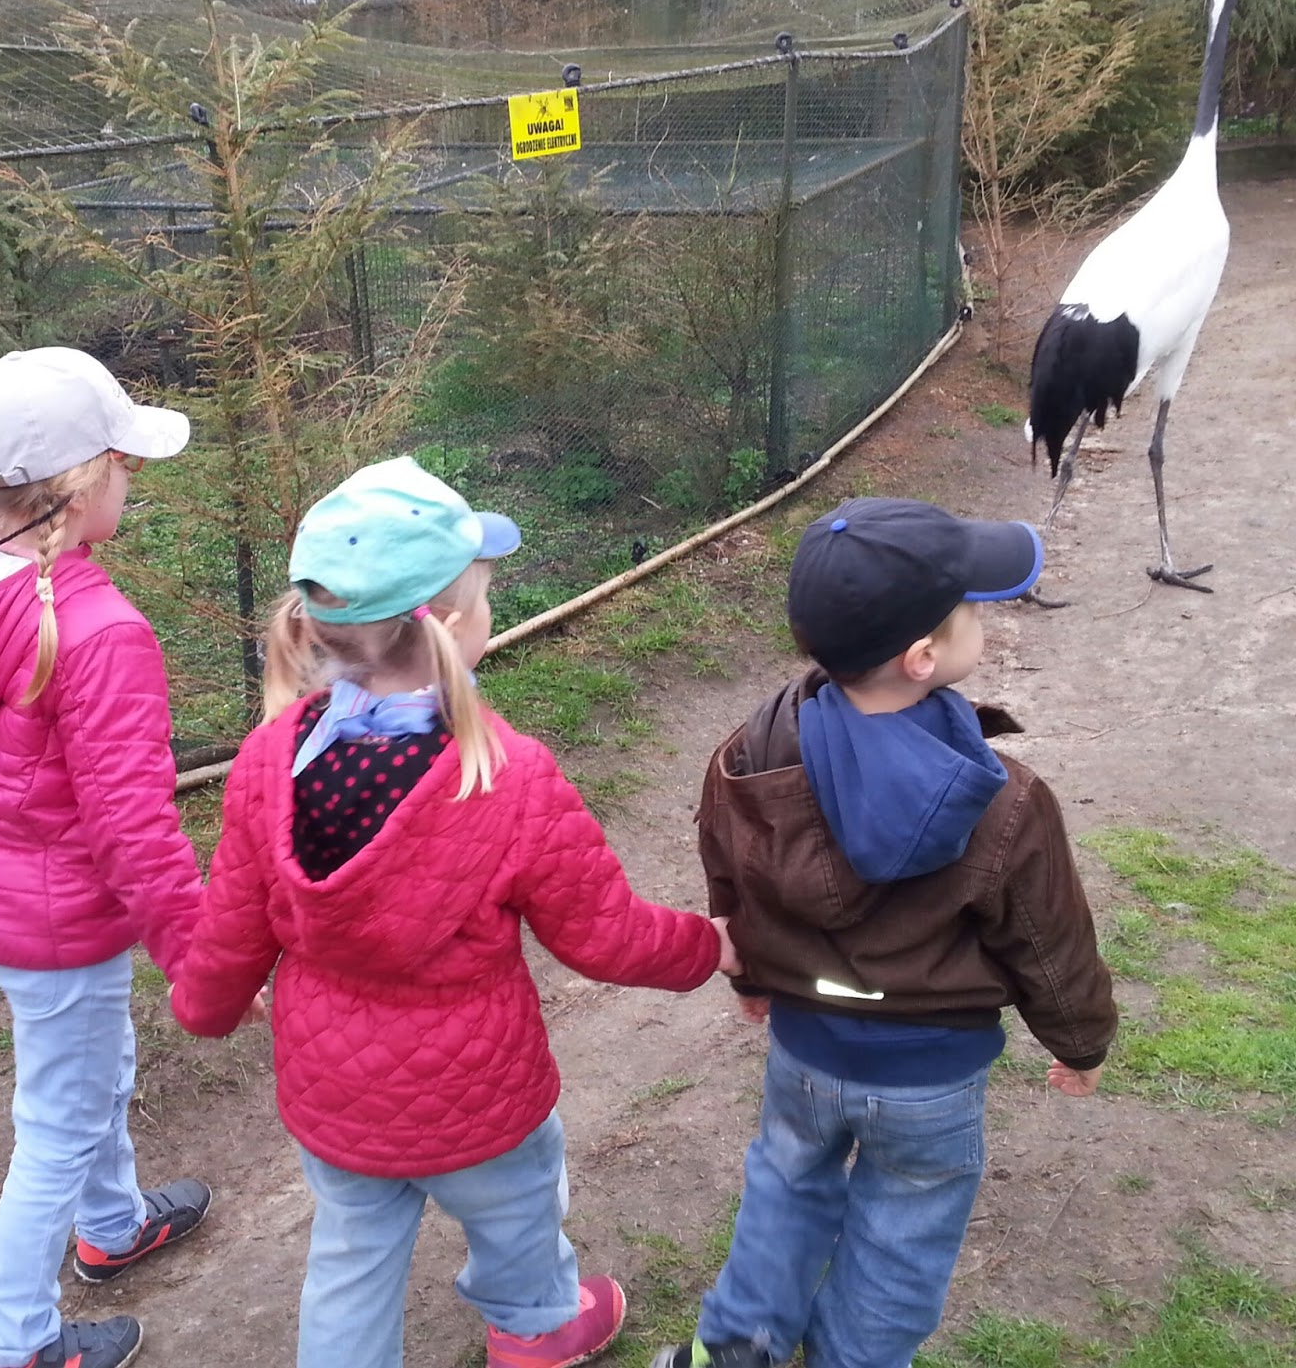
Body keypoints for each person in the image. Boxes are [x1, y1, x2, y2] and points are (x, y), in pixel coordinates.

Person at [170, 456, 739, 1368]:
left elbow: (232, 920)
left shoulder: (269, 759)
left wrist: (204, 1005)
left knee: (350, 1256)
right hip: (480, 1094)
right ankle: (536, 1328)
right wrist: (708, 946)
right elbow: (605, 934)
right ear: (450, 625)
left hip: (337, 1091)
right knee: (517, 1213)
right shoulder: (509, 776)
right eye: (483, 596)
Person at [655, 497, 1119, 1368]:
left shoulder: (749, 756)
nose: (982, 618)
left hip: (807, 1048)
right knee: (904, 1227)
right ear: (923, 658)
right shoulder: (1007, 800)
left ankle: (738, 1347)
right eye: (971, 609)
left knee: (786, 1182)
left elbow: (730, 874)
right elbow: (1048, 941)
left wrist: (750, 975)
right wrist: (1081, 1040)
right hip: (929, 1077)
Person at [0, 348, 215, 1368]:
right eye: (126, 461)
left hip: (2, 897)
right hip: (60, 919)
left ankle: (113, 1223)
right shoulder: (96, 629)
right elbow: (134, 825)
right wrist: (197, 953)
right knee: (59, 1123)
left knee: (90, 1072)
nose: (133, 477)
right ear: (80, 487)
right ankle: (16, 1339)